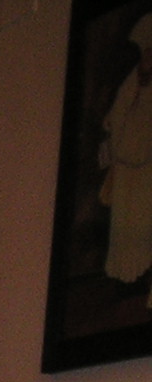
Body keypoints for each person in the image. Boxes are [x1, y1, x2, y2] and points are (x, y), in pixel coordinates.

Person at [103, 15, 152, 292]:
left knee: (142, 220)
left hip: (146, 168)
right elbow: (117, 113)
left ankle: (140, 273)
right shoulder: (131, 82)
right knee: (123, 221)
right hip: (125, 165)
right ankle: (122, 275)